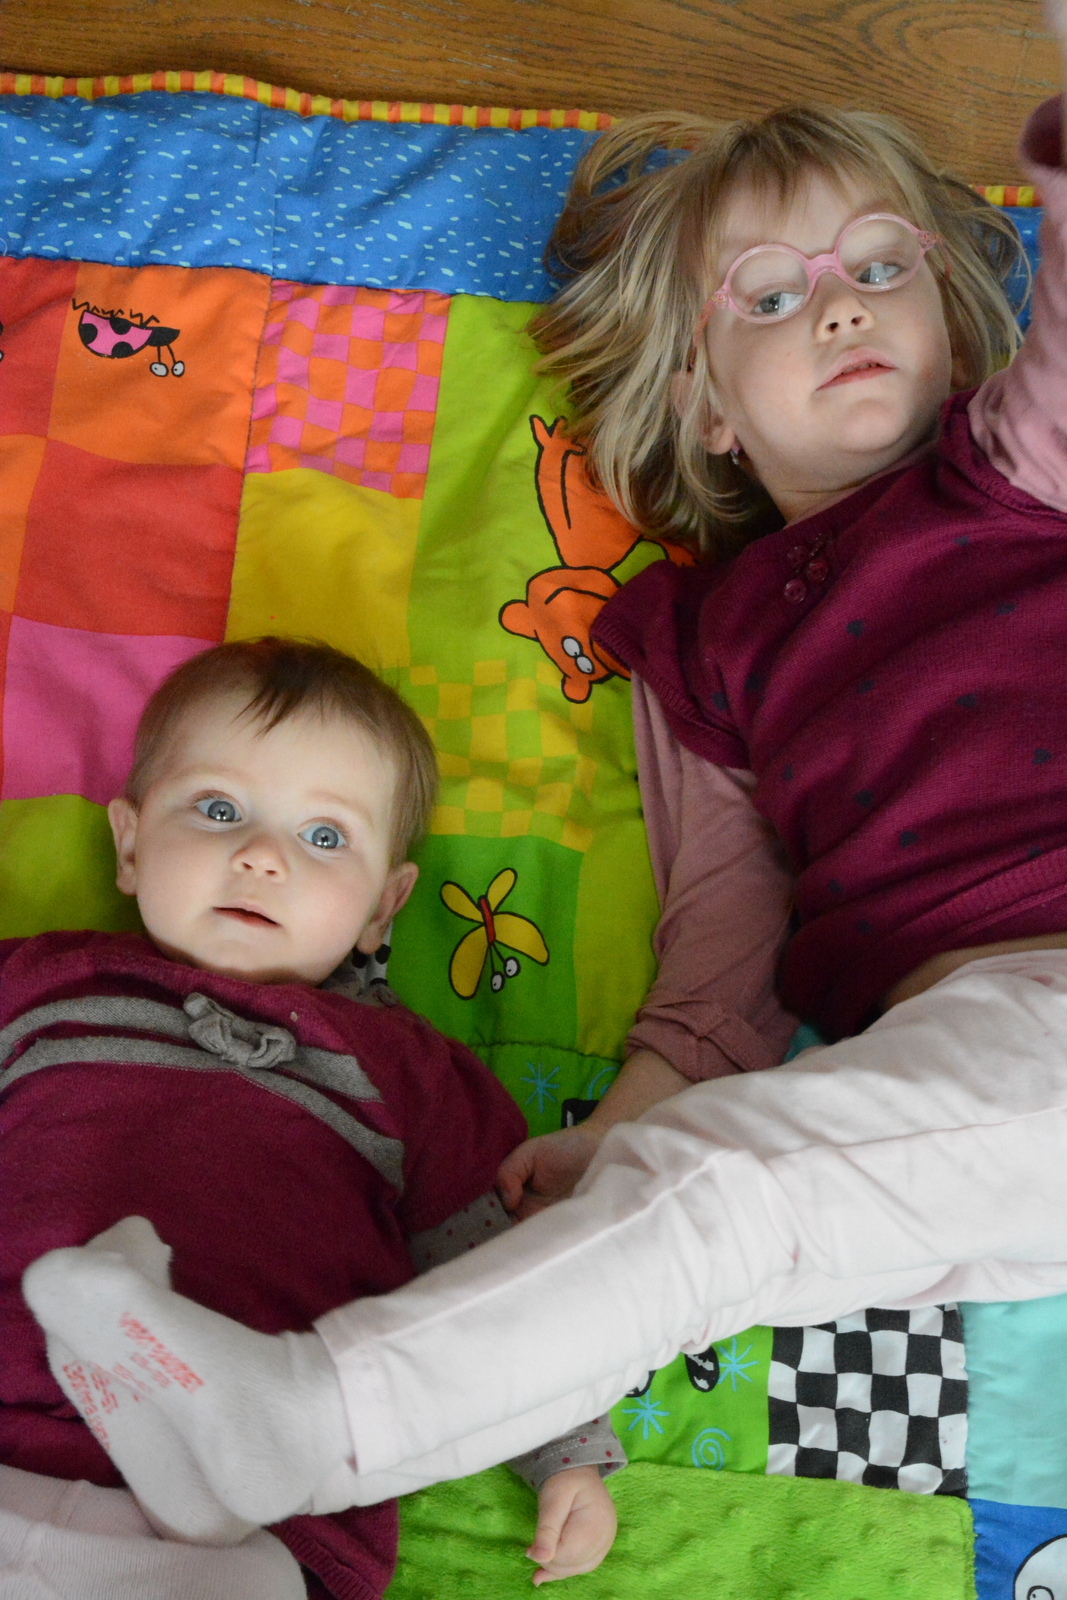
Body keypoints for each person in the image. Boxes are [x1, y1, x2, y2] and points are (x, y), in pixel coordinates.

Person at [23, 0, 1067, 1545]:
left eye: (876, 267)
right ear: (705, 408)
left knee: (722, 1197)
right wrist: (625, 1129)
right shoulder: (700, 646)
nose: (838, 307)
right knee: (696, 1216)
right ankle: (292, 1433)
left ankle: (304, 1429)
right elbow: (721, 949)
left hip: (1026, 1032)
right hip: (968, 1092)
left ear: (957, 327)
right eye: (768, 294)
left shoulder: (1008, 475)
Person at [2, 637, 622, 1599]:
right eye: (218, 810)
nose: (261, 856)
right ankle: (166, 1445)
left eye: (324, 837)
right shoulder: (41, 984)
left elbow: (495, 1281)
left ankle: (190, 1451)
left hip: (262, 1521)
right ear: (129, 844)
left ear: (383, 908)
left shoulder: (409, 1070)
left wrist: (566, 1449)